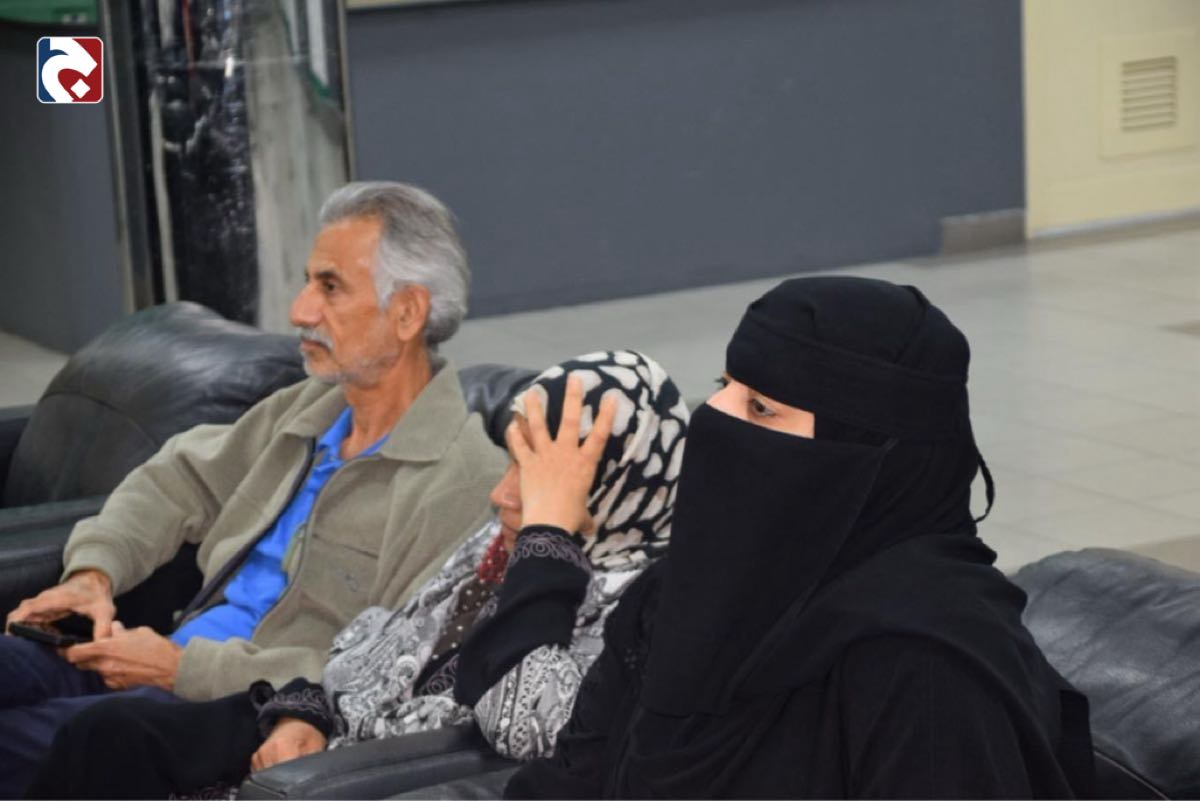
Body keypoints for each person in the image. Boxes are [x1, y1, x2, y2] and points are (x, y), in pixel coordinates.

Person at [0, 181, 507, 796]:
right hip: (149, 659)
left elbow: (391, 669)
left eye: (330, 287)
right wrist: (94, 573)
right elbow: (176, 480)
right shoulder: (309, 409)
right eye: (308, 282)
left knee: (62, 739)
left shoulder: (465, 484)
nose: (299, 310)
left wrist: (185, 668)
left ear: (407, 313)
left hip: (240, 706)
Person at [505, 277, 1095, 799]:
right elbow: (567, 783)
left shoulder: (925, 671)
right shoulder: (679, 595)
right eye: (723, 384)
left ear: (864, 457)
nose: (712, 416)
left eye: (761, 408)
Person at [26, 351, 690, 800]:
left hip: (371, 775)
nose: (502, 494)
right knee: (105, 735)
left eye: (538, 475)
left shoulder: (641, 601)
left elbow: (521, 723)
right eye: (512, 463)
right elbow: (369, 649)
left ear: (619, 485)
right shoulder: (501, 537)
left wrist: (550, 536)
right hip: (329, 732)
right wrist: (303, 713)